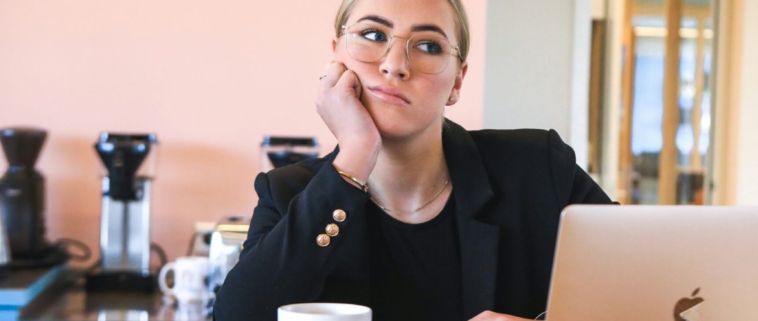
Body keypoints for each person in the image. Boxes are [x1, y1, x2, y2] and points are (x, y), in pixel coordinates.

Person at [213, 0, 613, 320]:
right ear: (335, 57)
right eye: (372, 34)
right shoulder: (288, 192)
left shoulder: (539, 169)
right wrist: (353, 156)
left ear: (457, 81)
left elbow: (655, 295)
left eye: (428, 46)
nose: (394, 65)